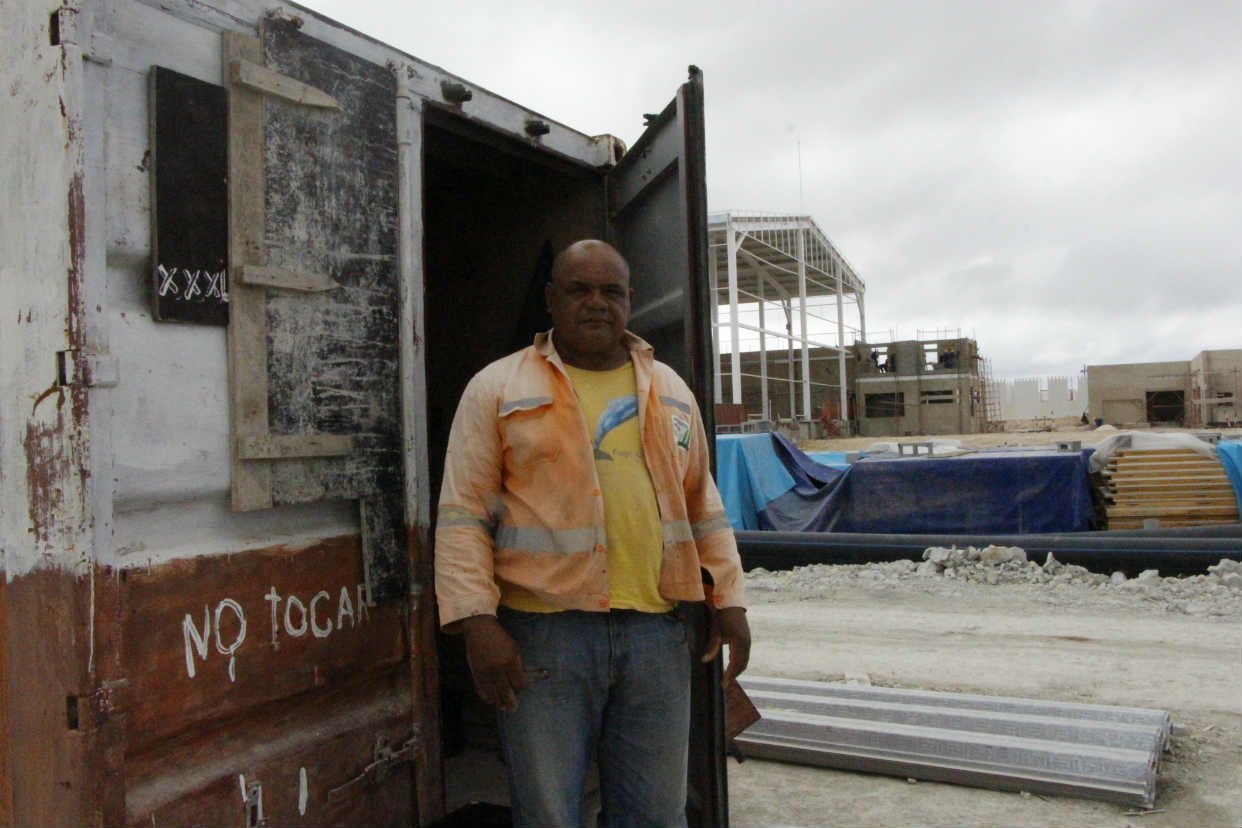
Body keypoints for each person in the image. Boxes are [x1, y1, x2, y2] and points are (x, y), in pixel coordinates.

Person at [435, 240, 750, 827]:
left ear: (631, 301)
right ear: (552, 300)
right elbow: (463, 514)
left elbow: (702, 502)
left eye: (612, 291)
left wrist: (729, 599)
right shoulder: (497, 388)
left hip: (657, 635)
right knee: (551, 814)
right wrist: (478, 622)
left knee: (656, 814)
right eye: (580, 290)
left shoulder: (672, 390)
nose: (596, 303)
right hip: (542, 637)